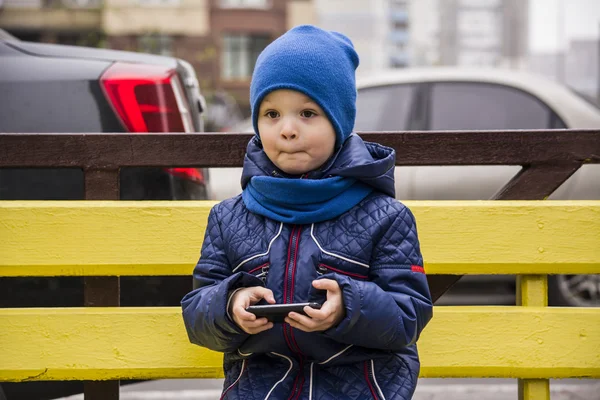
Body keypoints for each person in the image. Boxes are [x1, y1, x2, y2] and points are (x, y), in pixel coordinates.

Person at [181, 25, 433, 400]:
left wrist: (348, 307)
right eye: (271, 113)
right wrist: (230, 304)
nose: (287, 129)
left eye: (307, 112)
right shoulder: (228, 217)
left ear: (339, 122)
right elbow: (196, 312)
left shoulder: (385, 217)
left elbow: (408, 315)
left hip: (359, 389)